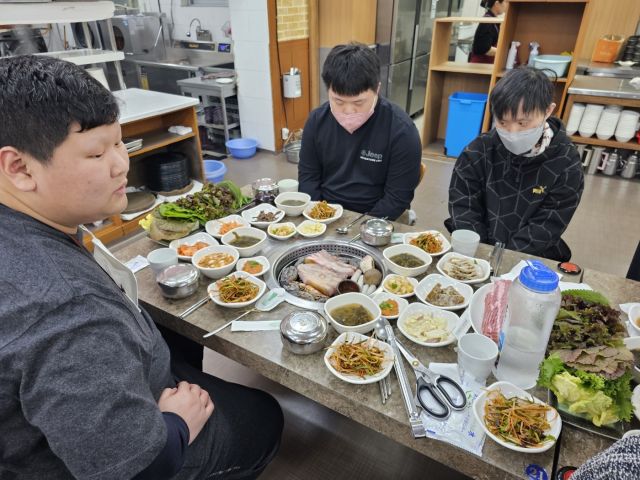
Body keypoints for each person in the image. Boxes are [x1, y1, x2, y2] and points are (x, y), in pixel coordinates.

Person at [0, 55, 283, 479]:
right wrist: (177, 424)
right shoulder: (64, 310)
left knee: (176, 339)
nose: (122, 165)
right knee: (263, 414)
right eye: (97, 153)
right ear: (20, 168)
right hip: (122, 457)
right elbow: (136, 469)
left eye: (120, 143)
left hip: (125, 390)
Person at [445, 67, 584, 262]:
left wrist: (505, 259)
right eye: (502, 122)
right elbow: (463, 207)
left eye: (522, 123)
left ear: (548, 111)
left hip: (531, 255)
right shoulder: (478, 151)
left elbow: (548, 224)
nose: (512, 132)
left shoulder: (566, 162)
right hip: (479, 249)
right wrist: (480, 256)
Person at [298, 42, 422, 221]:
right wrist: (319, 216)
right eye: (338, 101)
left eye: (358, 102)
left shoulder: (401, 131)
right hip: (326, 212)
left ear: (377, 89)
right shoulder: (317, 121)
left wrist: (360, 226)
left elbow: (397, 198)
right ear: (328, 91)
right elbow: (308, 178)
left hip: (376, 217)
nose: (348, 111)